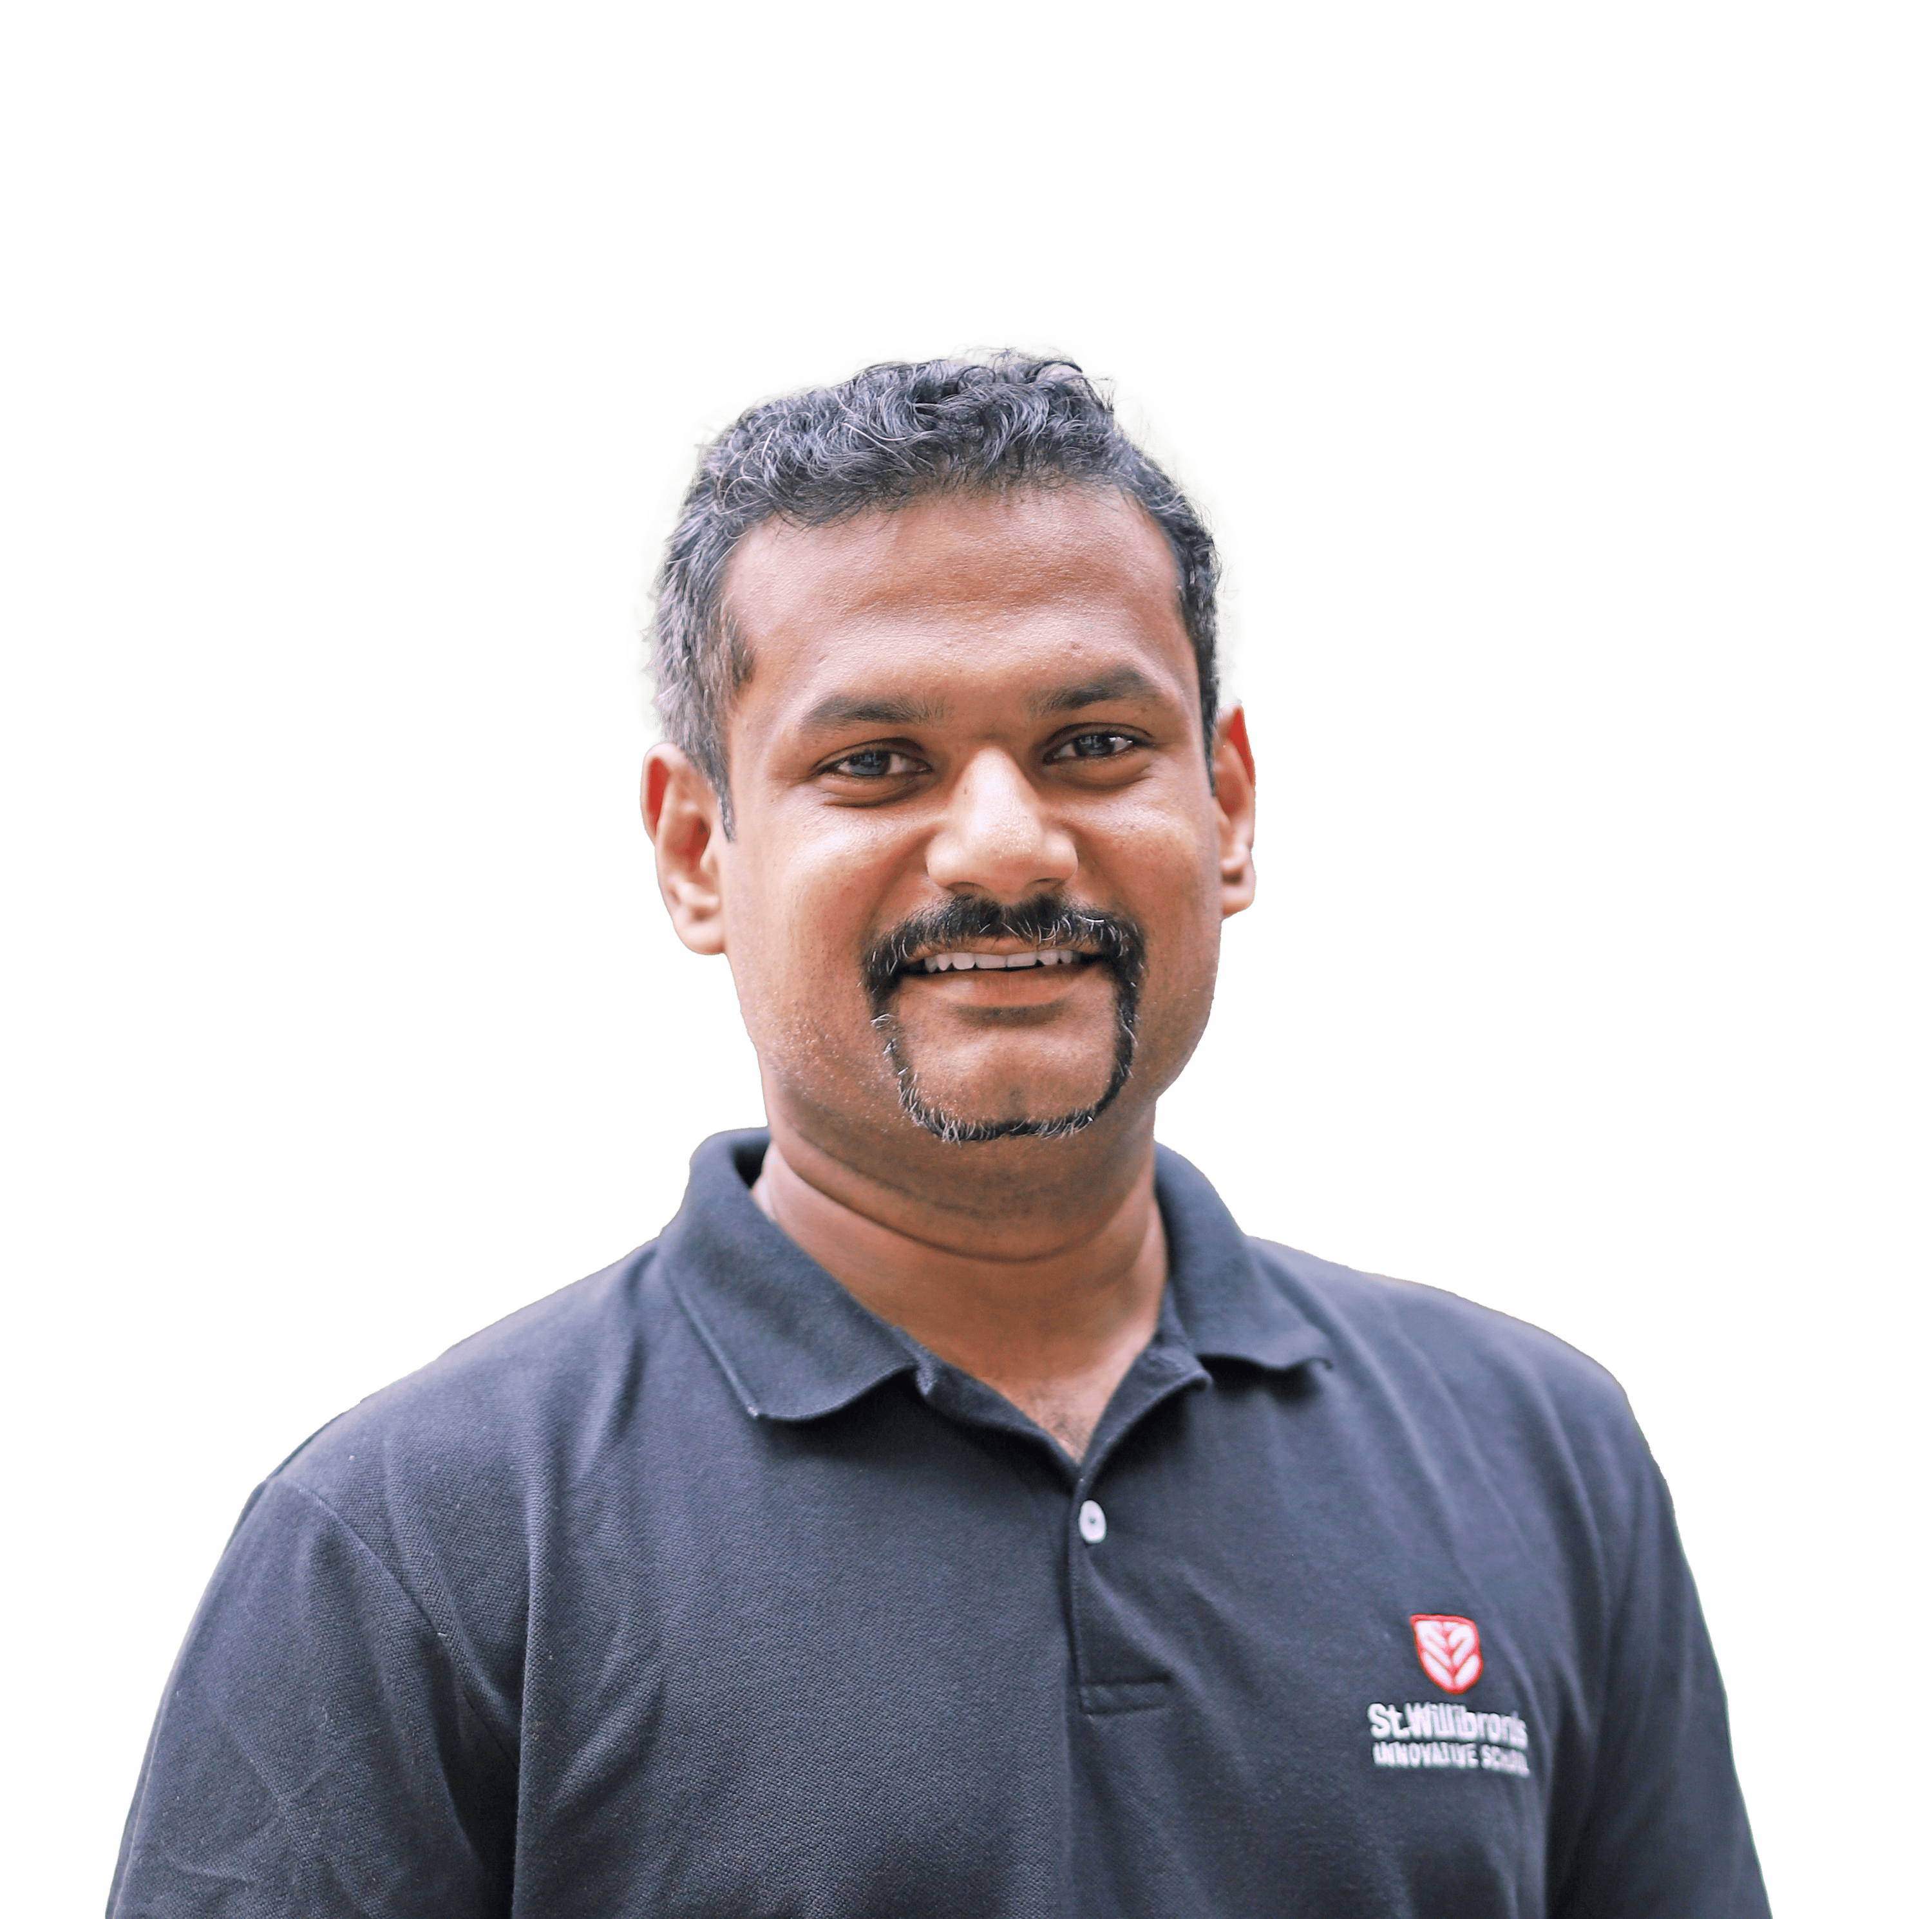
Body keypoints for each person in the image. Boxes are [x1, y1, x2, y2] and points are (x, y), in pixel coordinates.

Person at [108, 342, 1772, 1916]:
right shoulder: (416, 1540)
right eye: (878, 761)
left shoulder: (1542, 1454)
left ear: (1226, 802)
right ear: (696, 851)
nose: (1003, 845)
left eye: (1094, 745)